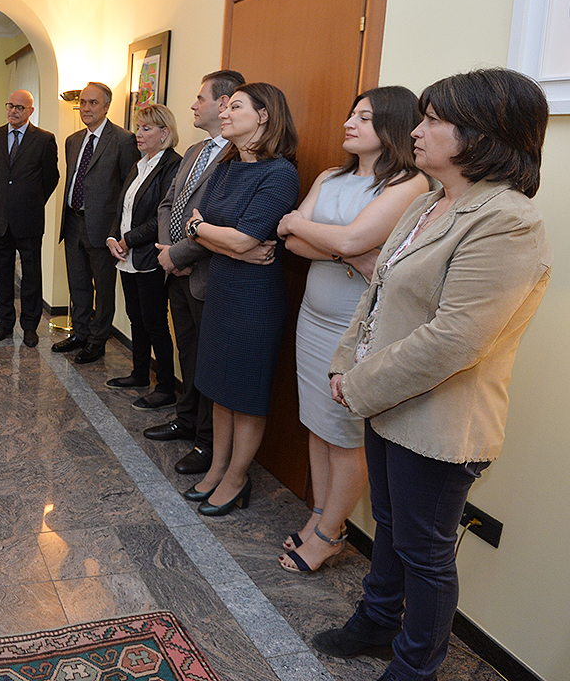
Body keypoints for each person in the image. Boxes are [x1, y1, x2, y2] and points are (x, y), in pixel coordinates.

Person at [314, 68, 552, 681]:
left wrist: (358, 384)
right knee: (389, 526)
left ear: (480, 134)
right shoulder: (428, 200)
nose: (415, 131)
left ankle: (416, 665)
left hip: (440, 420)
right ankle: (376, 621)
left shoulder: (507, 221)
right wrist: (344, 361)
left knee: (424, 551)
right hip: (389, 403)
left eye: (432, 120)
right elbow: (376, 293)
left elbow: (454, 340)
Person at [275, 86, 429, 574]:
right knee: (316, 424)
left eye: (364, 117)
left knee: (343, 433)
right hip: (312, 315)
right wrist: (351, 253)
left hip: (354, 326)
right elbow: (288, 236)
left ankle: (328, 535)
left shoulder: (408, 184)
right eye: (351, 114)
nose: (350, 122)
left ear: (392, 127)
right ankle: (321, 515)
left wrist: (333, 239)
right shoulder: (330, 175)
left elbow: (345, 235)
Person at [179, 82, 299, 516]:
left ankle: (236, 477)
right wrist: (220, 240)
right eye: (224, 106)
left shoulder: (280, 172)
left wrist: (221, 237)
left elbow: (247, 236)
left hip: (254, 299)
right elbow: (208, 227)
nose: (224, 114)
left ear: (264, 115)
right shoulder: (227, 167)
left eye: (235, 107)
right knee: (217, 387)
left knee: (245, 394)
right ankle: (217, 469)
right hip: (223, 288)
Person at [148, 69, 245, 475]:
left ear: (223, 103)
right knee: (187, 350)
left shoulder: (235, 157)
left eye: (199, 97)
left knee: (207, 361)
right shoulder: (193, 152)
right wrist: (168, 252)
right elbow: (169, 203)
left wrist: (181, 255)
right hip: (176, 266)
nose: (193, 104)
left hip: (204, 272)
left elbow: (221, 220)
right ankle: (185, 419)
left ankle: (207, 442)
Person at [54, 81, 140, 364]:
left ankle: (97, 340)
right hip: (73, 222)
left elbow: (130, 189)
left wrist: (119, 232)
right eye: (84, 103)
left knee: (103, 290)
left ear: (106, 106)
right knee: (78, 284)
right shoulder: (73, 140)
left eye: (93, 103)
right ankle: (79, 333)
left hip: (103, 230)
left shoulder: (123, 140)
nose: (86, 108)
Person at [105, 103, 182, 407]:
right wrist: (113, 237)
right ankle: (139, 372)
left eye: (146, 128)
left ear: (165, 132)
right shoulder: (140, 164)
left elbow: (164, 216)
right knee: (135, 316)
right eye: (138, 127)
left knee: (154, 322)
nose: (139, 133)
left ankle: (164, 387)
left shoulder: (171, 165)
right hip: (128, 256)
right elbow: (122, 206)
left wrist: (128, 239)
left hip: (149, 256)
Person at [0, 90, 59, 347]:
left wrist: (32, 201)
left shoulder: (44, 139)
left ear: (30, 111)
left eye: (20, 108)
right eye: (10, 106)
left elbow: (51, 178)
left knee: (31, 276)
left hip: (29, 220)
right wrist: (4, 199)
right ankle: (4, 324)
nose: (13, 111)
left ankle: (29, 327)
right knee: (2, 276)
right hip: (0, 219)